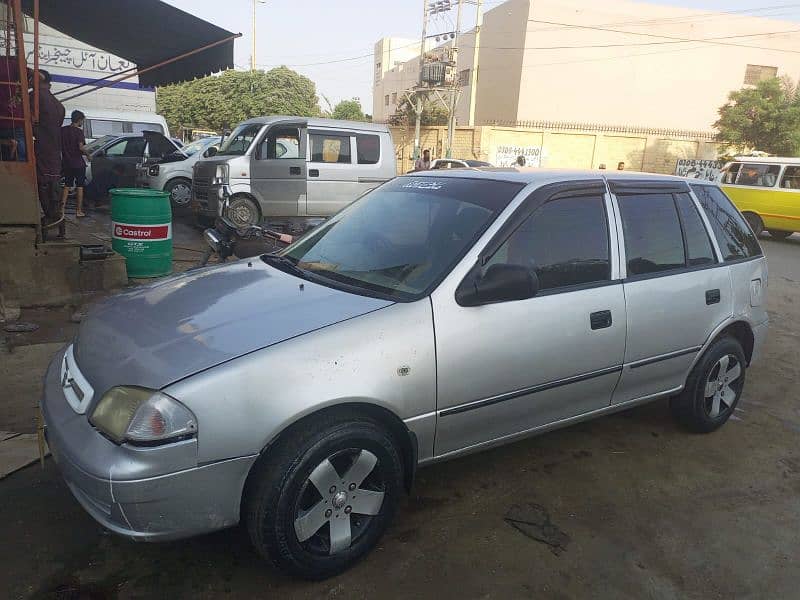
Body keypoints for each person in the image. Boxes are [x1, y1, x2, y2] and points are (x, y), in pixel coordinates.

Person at [34, 70, 66, 240]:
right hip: (54, 153)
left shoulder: (35, 98)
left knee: (44, 185)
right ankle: (57, 219)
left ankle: (49, 218)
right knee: (53, 185)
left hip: (41, 149)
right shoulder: (59, 105)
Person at [61, 110, 89, 217]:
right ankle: (79, 210)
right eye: (82, 120)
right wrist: (88, 155)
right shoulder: (79, 132)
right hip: (78, 163)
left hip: (67, 163)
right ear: (80, 120)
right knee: (80, 186)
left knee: (67, 185)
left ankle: (61, 209)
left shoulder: (63, 130)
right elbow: (81, 148)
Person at [0, 55, 25, 160]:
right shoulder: (12, 64)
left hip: (2, 118)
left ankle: (7, 143)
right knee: (21, 157)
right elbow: (39, 76)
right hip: (16, 119)